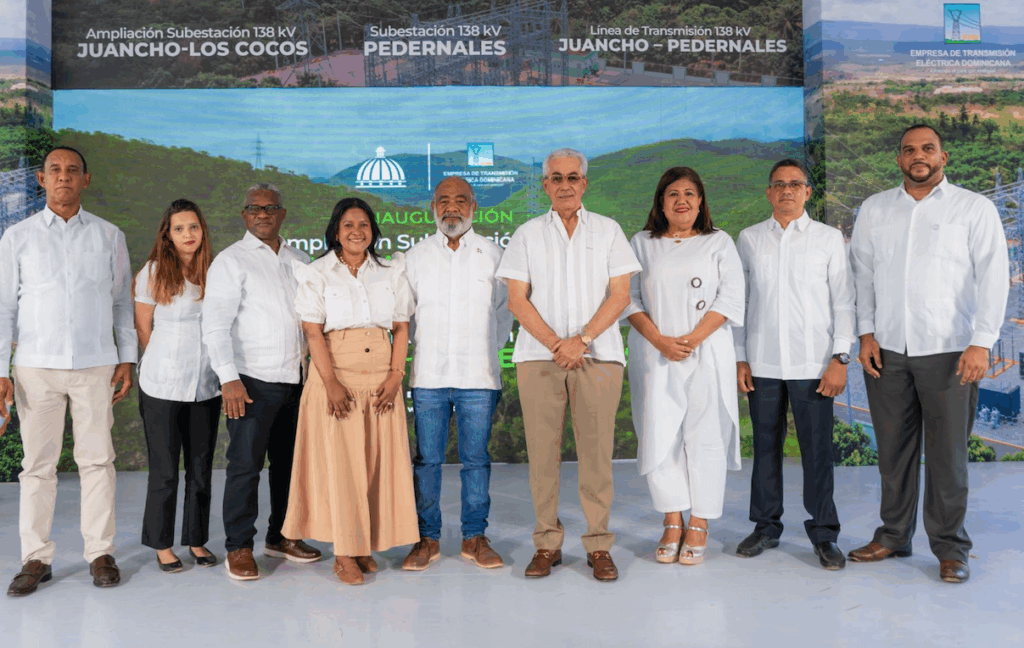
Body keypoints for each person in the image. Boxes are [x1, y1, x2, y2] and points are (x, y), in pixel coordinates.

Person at [848, 124, 1009, 583]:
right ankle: (893, 536)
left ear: (943, 157)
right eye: (909, 150)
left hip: (951, 350)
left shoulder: (973, 208)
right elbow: (862, 276)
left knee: (948, 457)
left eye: (927, 148)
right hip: (887, 350)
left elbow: (994, 275)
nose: (918, 155)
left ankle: (951, 548)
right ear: (899, 159)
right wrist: (866, 334)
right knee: (893, 452)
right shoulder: (875, 209)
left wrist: (982, 341)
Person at [496, 148, 641, 582]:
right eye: (556, 178)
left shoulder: (609, 230)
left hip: (598, 357)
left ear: (584, 183)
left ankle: (598, 544)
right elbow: (517, 300)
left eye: (572, 177)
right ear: (545, 185)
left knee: (597, 455)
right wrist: (559, 345)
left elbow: (620, 295)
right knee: (542, 456)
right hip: (538, 359)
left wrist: (582, 341)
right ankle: (547, 543)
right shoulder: (526, 234)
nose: (564, 185)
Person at [1, 146, 136, 596]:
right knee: (37, 466)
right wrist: (1, 369)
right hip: (35, 367)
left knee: (97, 461)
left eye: (72, 170)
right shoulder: (17, 237)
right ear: (41, 179)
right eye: (55, 170)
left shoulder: (109, 236)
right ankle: (35, 558)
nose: (64, 177)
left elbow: (121, 304)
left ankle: (100, 553)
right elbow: (3, 308)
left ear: (85, 180)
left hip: (95, 364)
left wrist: (127, 357)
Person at [281, 197, 419, 585]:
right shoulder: (317, 272)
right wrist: (330, 383)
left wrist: (396, 376)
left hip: (381, 378)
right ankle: (344, 554)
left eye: (363, 224)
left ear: (373, 230)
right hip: (336, 375)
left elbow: (401, 327)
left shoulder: (390, 271)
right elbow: (312, 331)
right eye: (348, 225)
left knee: (374, 462)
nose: (356, 231)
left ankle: (363, 546)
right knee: (342, 467)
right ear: (335, 232)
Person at [733, 159, 855, 570]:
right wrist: (740, 357)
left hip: (813, 363)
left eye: (795, 184)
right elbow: (740, 302)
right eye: (779, 184)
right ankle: (766, 527)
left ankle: (824, 534)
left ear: (808, 192)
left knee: (817, 452)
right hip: (763, 362)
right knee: (765, 448)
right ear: (768, 192)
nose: (787, 190)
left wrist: (840, 357)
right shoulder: (749, 239)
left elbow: (844, 302)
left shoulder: (828, 239)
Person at [202, 182, 322, 581]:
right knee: (245, 467)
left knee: (289, 467)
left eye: (270, 208)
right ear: (244, 215)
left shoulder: (299, 260)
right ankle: (238, 546)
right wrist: (229, 379)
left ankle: (281, 537)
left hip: (296, 380)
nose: (262, 214)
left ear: (282, 214)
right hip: (250, 382)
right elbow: (215, 325)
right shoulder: (230, 261)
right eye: (254, 208)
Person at [624, 166, 744, 566]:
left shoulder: (719, 241)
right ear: (660, 202)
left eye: (690, 193)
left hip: (706, 350)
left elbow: (730, 298)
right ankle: (672, 520)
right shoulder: (641, 243)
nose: (682, 201)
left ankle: (700, 522)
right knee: (659, 435)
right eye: (673, 194)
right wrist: (660, 340)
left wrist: (692, 339)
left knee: (706, 436)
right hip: (655, 352)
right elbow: (627, 299)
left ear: (701, 201)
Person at [401, 176, 514, 571]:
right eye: (444, 200)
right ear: (432, 207)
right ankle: (426, 538)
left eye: (461, 200)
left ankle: (474, 537)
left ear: (474, 207)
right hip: (429, 376)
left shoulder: (495, 255)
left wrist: (485, 350)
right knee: (427, 461)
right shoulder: (414, 257)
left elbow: (505, 314)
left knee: (476, 461)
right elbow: (405, 317)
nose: (452, 207)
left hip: (479, 376)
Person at [134, 199, 221, 572]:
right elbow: (143, 327)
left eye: (194, 227)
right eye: (179, 228)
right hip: (162, 385)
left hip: (206, 384)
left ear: (203, 231)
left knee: (201, 469)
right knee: (165, 470)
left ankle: (196, 540)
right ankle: (162, 544)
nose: (188, 234)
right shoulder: (153, 271)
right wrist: (162, 361)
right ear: (167, 235)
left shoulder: (216, 271)